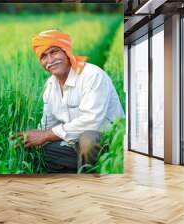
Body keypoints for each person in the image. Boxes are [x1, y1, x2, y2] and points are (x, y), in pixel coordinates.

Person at [16, 29, 124, 173]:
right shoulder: (50, 86)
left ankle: (91, 182)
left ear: (66, 51)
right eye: (43, 56)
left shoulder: (92, 75)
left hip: (106, 143)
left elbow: (90, 122)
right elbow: (48, 124)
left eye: (54, 52)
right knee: (36, 150)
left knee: (88, 138)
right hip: (74, 144)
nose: (50, 60)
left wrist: (45, 135)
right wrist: (31, 137)